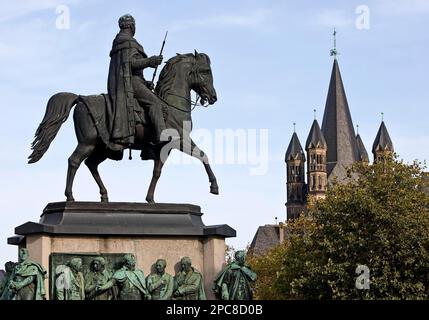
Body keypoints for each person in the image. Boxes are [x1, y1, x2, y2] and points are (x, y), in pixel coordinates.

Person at [107, 14, 166, 151]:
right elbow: (131, 64)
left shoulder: (120, 41)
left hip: (130, 81)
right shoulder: (128, 42)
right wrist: (150, 61)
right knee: (155, 103)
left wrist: (145, 83)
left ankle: (146, 146)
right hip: (129, 83)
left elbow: (131, 68)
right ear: (132, 26)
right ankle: (162, 136)